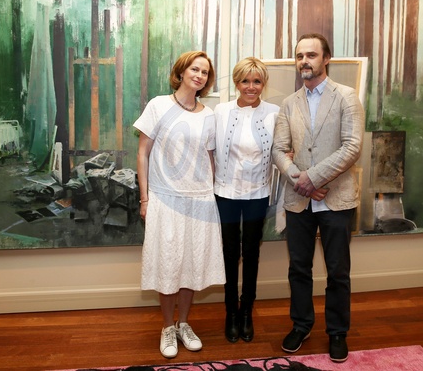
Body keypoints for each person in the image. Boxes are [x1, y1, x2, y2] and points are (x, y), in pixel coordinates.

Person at [271, 33, 364, 363]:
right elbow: (279, 150)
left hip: (337, 199)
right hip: (299, 200)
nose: (304, 61)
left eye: (311, 55)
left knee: (338, 271)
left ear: (326, 59)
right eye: (299, 56)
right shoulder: (289, 103)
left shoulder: (346, 97)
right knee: (299, 268)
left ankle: (337, 332)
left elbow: (352, 147)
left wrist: (314, 177)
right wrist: (302, 180)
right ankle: (301, 325)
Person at [134, 51, 226, 359]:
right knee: (168, 264)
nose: (199, 75)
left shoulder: (208, 115)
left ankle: (184, 323)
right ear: (182, 72)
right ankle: (166, 327)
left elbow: (210, 158)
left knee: (191, 265)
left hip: (199, 200)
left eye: (205, 72)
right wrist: (145, 198)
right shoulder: (158, 105)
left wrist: (213, 195)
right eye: (194, 69)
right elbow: (142, 153)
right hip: (165, 199)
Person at [213, 57, 280, 343]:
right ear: (236, 83)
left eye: (257, 81)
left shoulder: (274, 113)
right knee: (229, 253)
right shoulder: (220, 111)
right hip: (225, 193)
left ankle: (246, 312)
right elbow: (208, 149)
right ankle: (230, 312)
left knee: (251, 252)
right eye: (245, 81)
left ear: (263, 84)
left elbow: (282, 151)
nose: (250, 87)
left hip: (258, 193)